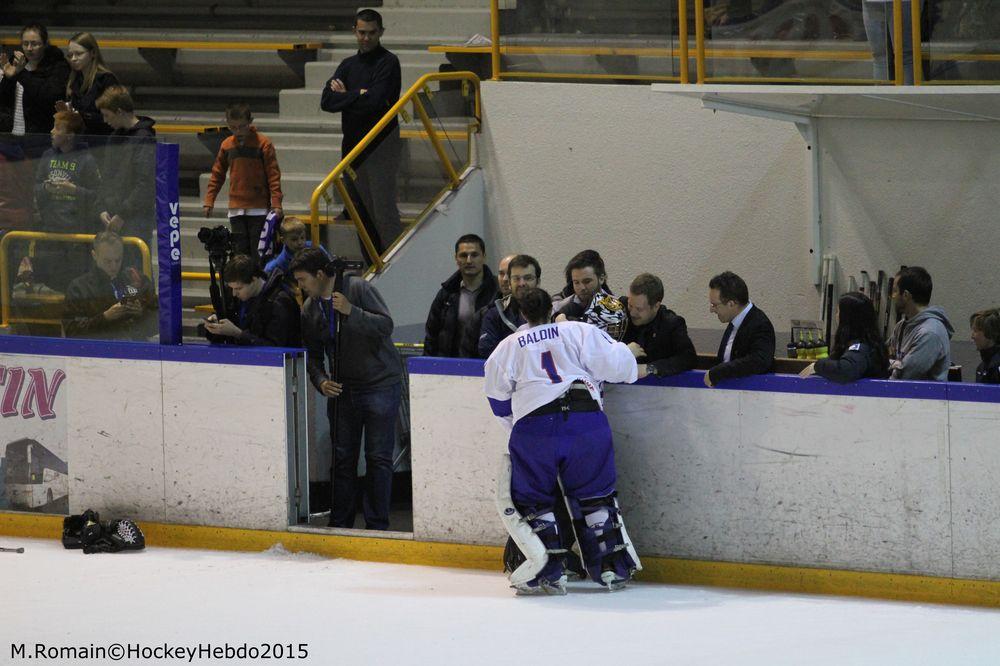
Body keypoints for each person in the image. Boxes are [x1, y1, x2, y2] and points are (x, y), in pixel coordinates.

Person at [484, 287, 647, 595]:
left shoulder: (508, 345)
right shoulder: (577, 331)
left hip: (534, 429)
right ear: (552, 309)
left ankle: (550, 572)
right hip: (586, 424)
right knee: (595, 497)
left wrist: (520, 429)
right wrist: (630, 354)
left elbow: (497, 400)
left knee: (535, 502)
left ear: (521, 313)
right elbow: (622, 368)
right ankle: (611, 568)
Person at [290, 247, 402, 531]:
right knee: (342, 460)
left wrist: (353, 312)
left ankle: (377, 525)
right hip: (343, 391)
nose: (300, 286)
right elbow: (313, 354)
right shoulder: (310, 308)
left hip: (380, 385)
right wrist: (320, 380)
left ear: (319, 274)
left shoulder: (357, 287)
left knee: (378, 459)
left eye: (303, 280)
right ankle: (341, 524)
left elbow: (386, 325)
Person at [320, 9, 402, 255]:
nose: (366, 38)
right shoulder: (347, 65)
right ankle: (372, 266)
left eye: (372, 33)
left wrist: (345, 96)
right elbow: (326, 101)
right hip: (353, 149)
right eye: (362, 32)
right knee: (360, 213)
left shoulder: (389, 62)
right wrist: (358, 94)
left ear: (381, 33)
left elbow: (376, 102)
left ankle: (393, 262)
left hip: (381, 148)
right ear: (354, 32)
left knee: (383, 211)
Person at [29, 108, 101, 291]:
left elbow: (96, 195)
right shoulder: (47, 156)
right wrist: (45, 187)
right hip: (50, 229)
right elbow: (36, 187)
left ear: (70, 135)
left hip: (75, 232)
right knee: (50, 277)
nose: (52, 132)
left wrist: (74, 190)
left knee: (71, 280)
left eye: (57, 128)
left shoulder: (86, 160)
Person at [203, 102, 283, 262]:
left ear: (250, 121)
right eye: (233, 127)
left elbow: (273, 175)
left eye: (242, 126)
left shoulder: (263, 144)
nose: (238, 131)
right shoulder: (226, 145)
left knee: (259, 253)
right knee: (240, 254)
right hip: (236, 209)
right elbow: (217, 174)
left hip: (259, 209)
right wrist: (209, 200)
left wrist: (276, 203)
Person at [63, 231, 157, 340]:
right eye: (107, 261)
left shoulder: (136, 280)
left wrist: (141, 314)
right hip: (97, 350)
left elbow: (158, 324)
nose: (113, 266)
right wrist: (104, 318)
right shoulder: (79, 287)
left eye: (118, 260)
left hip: (134, 347)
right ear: (94, 255)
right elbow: (71, 331)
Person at [423, 234, 498, 358]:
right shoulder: (446, 293)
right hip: (451, 367)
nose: (469, 260)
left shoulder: (498, 292)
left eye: (474, 255)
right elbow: (431, 335)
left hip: (489, 366)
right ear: (456, 259)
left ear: (484, 257)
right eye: (463, 255)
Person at [202, 254, 300, 347]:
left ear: (254, 280)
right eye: (232, 288)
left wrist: (238, 334)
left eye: (239, 288)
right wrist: (217, 327)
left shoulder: (279, 302)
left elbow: (274, 348)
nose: (234, 294)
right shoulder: (237, 297)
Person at [95, 85, 155, 235]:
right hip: (112, 213)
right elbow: (106, 176)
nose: (104, 120)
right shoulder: (114, 138)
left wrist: (123, 214)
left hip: (135, 218)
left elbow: (145, 183)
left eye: (107, 115)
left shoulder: (144, 139)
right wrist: (101, 207)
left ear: (120, 112)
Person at [799, 292, 890, 383]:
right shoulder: (868, 344)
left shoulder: (861, 348)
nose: (836, 315)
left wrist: (818, 366)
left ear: (847, 317)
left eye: (838, 311)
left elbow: (845, 370)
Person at [704, 271, 775, 387]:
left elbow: (759, 361)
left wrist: (719, 372)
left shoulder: (760, 324)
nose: (711, 310)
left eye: (714, 305)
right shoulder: (734, 322)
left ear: (731, 304)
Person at [621, 273, 697, 378]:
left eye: (639, 309)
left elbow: (688, 358)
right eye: (630, 305)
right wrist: (623, 352)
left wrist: (650, 368)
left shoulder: (671, 324)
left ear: (656, 306)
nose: (632, 313)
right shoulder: (620, 310)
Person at [0, 24, 70, 138]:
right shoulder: (16, 62)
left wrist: (21, 73)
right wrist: (8, 78)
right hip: (13, 133)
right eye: (25, 43)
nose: (29, 48)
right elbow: (4, 99)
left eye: (35, 44)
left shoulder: (58, 66)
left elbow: (49, 97)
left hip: (40, 135)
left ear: (45, 43)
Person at [888, 266, 953, 381]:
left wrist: (894, 365)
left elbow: (905, 376)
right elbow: (884, 359)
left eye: (895, 291)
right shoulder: (901, 326)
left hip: (924, 398)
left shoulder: (930, 333)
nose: (892, 296)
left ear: (906, 295)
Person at [477, 254, 540, 359]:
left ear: (538, 281)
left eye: (528, 278)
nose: (522, 283)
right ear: (510, 283)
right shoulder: (494, 315)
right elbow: (487, 351)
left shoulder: (551, 311)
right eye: (516, 279)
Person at [64, 32, 119, 136]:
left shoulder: (106, 80)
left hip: (102, 140)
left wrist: (83, 116)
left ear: (93, 53)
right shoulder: (73, 80)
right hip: (80, 141)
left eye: (79, 54)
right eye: (70, 55)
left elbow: (115, 118)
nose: (73, 59)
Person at [460, 253, 513, 358]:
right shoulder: (483, 315)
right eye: (501, 274)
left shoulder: (539, 311)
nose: (505, 279)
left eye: (510, 274)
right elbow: (467, 357)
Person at [970, 308, 1000, 384]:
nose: (972, 336)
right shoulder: (982, 367)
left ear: (989, 332)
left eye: (975, 331)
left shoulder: (995, 366)